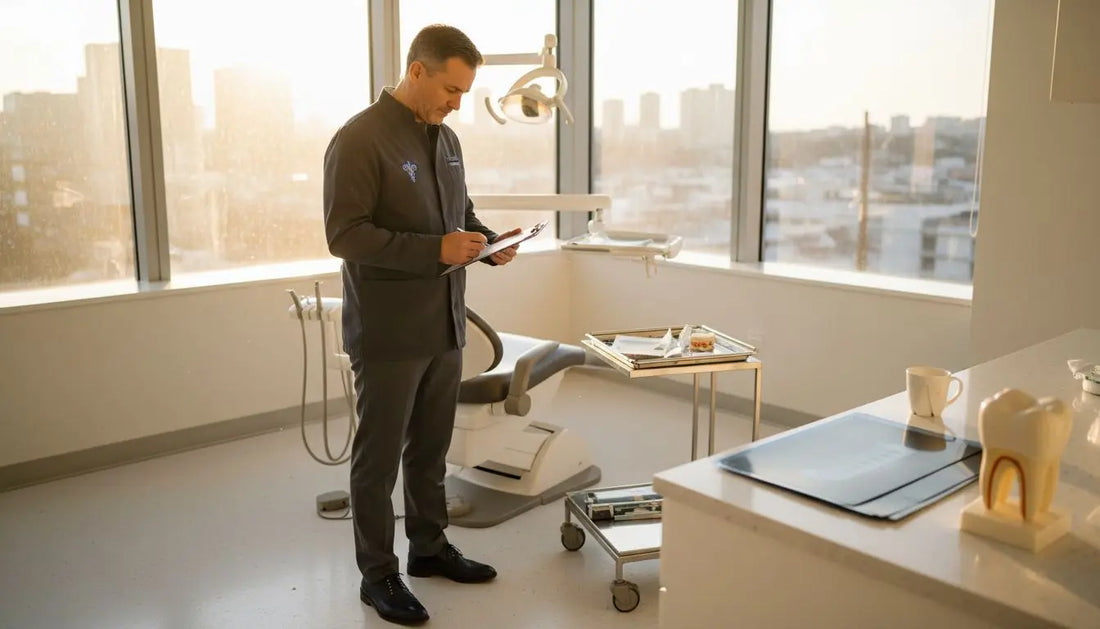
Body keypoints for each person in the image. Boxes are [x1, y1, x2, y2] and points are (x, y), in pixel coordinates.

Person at [322, 24, 522, 626]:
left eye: (464, 92)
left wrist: (487, 242)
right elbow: (345, 235)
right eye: (452, 88)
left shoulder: (447, 139)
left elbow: (459, 215)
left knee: (431, 450)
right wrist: (437, 249)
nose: (458, 102)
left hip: (444, 325)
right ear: (417, 71)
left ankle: (429, 550)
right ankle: (378, 575)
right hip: (388, 331)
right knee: (378, 459)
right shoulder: (358, 140)